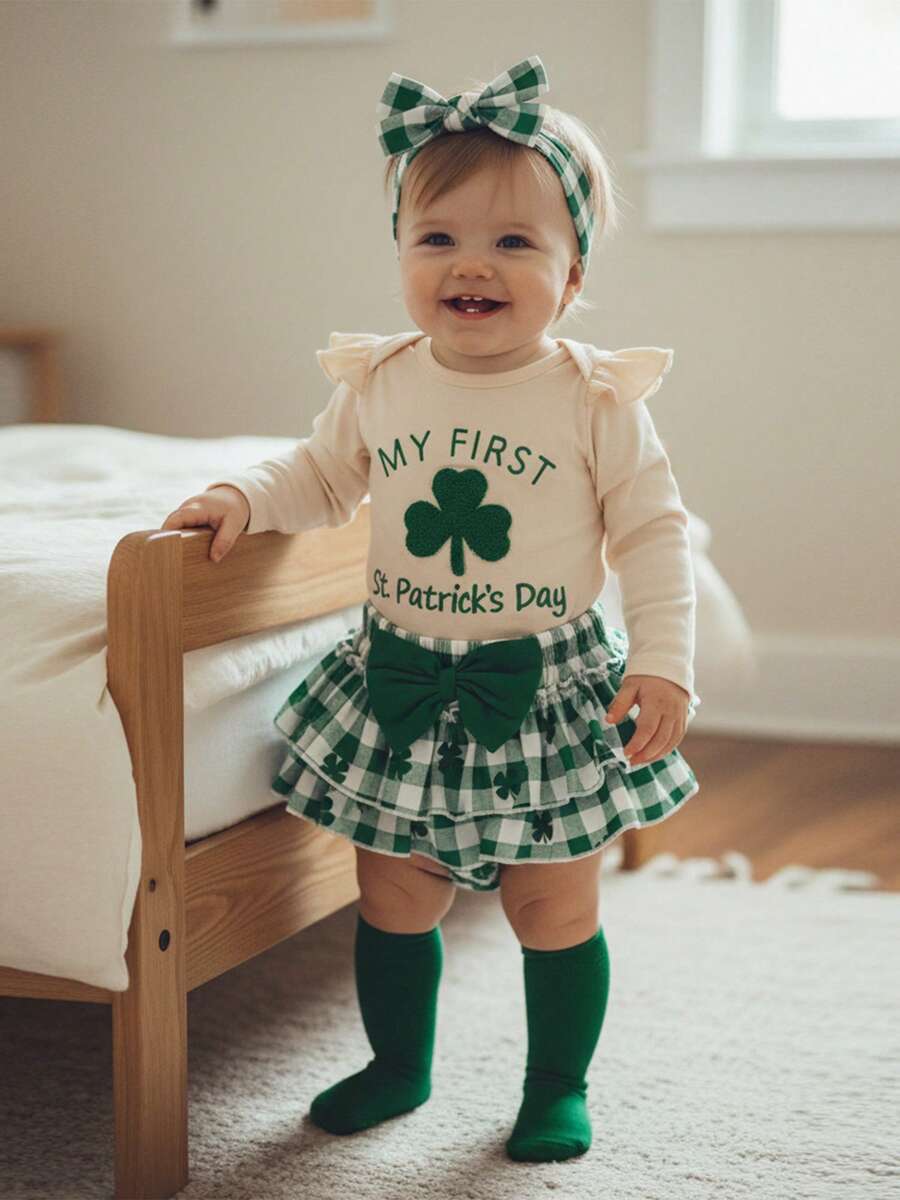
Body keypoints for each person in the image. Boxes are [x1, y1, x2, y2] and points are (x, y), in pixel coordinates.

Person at [161, 55, 702, 1164]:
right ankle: (397, 1065)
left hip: (542, 688)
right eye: (438, 237)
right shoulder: (382, 380)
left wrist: (664, 659)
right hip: (400, 678)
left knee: (553, 906)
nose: (473, 265)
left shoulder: (594, 397)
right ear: (401, 251)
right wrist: (243, 497)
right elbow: (319, 477)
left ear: (573, 274)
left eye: (515, 243)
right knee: (395, 891)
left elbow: (653, 532)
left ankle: (556, 1085)